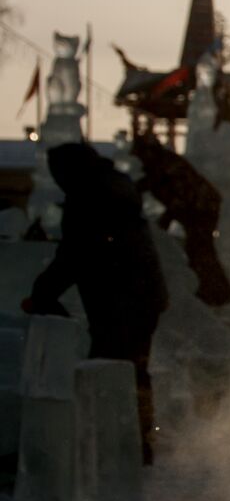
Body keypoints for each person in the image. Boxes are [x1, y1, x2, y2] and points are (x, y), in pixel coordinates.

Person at [25, 142, 170, 464]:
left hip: (122, 297)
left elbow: (77, 251)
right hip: (141, 293)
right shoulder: (112, 186)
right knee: (132, 367)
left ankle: (117, 443)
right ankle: (135, 439)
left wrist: (43, 292)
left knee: (108, 368)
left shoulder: (90, 195)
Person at [131, 131, 230, 307]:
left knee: (199, 248)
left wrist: (167, 217)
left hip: (202, 209)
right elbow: (147, 184)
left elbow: (181, 194)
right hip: (197, 209)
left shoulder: (167, 164)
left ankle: (217, 293)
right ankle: (213, 291)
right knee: (197, 248)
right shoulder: (157, 167)